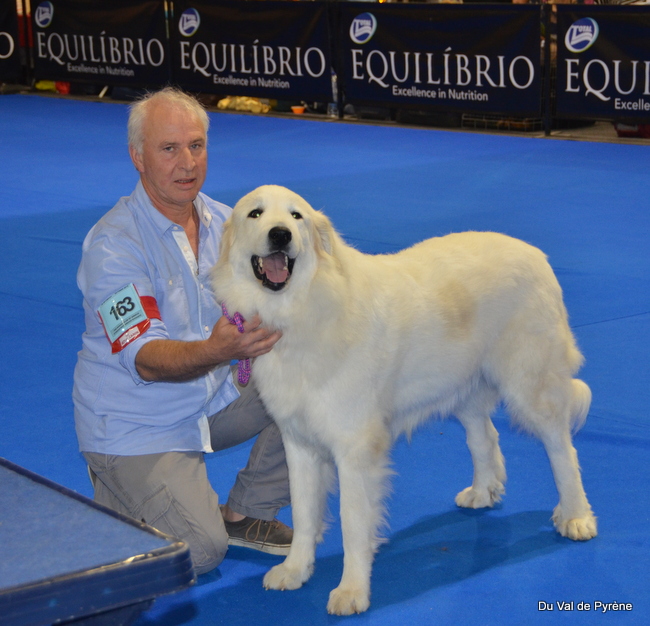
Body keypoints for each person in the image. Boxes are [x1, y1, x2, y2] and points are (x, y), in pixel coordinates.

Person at [72, 86, 292, 575]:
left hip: (209, 403)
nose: (187, 162)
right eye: (168, 149)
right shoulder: (113, 246)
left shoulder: (228, 223)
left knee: (322, 383)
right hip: (135, 426)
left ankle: (246, 512)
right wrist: (219, 350)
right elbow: (146, 360)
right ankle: (117, 492)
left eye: (196, 145)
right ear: (138, 157)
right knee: (198, 551)